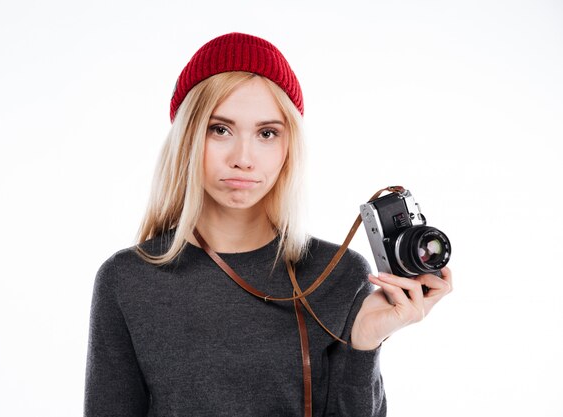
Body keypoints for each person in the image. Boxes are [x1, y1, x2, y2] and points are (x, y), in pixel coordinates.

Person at [84, 32, 452, 417]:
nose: (243, 158)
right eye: (219, 129)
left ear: (288, 146)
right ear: (187, 138)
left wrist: (363, 345)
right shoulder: (127, 280)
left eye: (267, 133)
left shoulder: (339, 274)